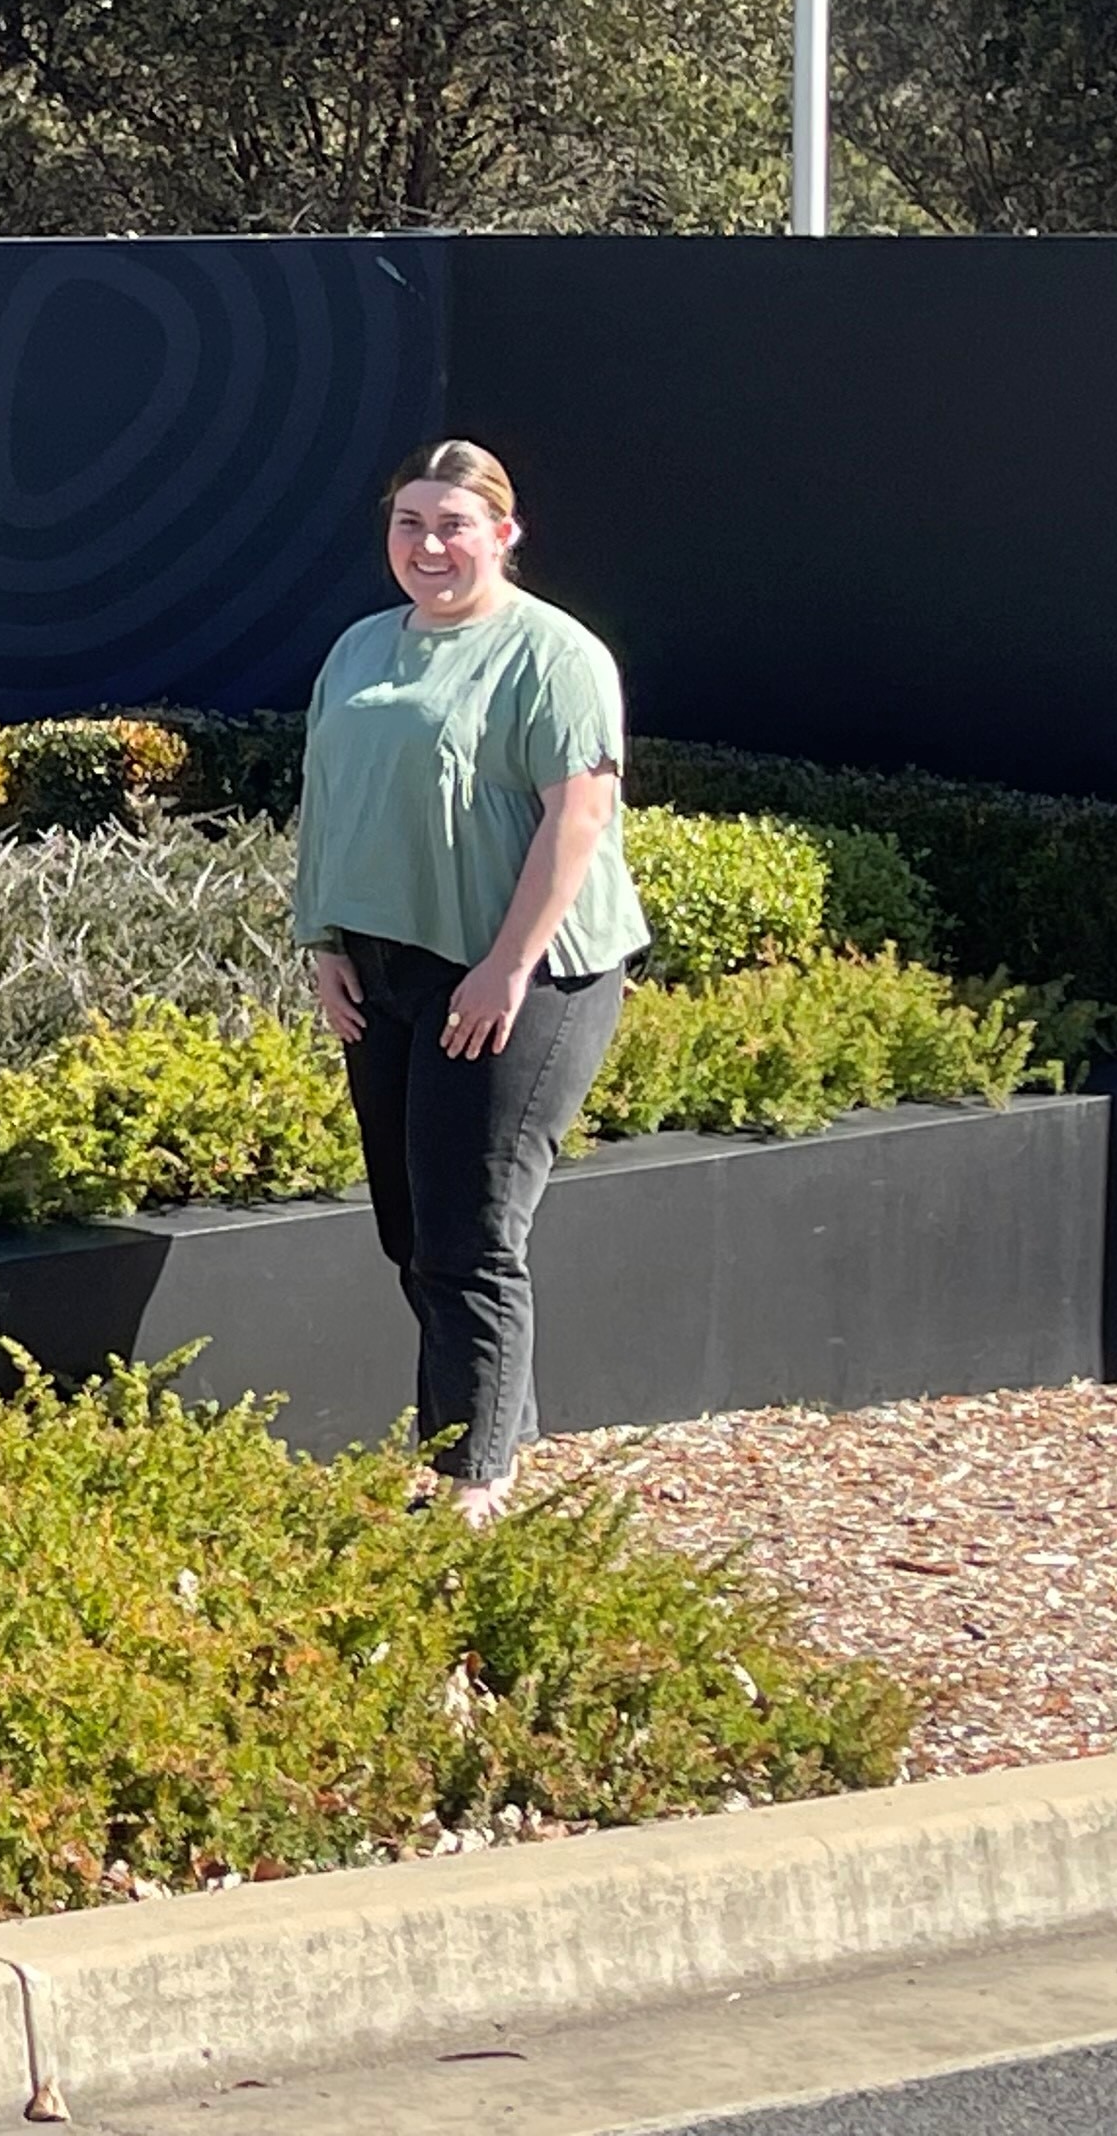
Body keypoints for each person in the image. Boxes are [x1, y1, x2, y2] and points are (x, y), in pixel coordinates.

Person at [291, 439, 649, 1526]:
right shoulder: (361, 648)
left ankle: (471, 1486)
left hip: (522, 976)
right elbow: (328, 794)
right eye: (410, 524)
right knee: (414, 1230)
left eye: (454, 524)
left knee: (472, 1233)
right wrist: (322, 938)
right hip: (384, 969)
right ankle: (487, 1439)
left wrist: (505, 967)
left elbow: (577, 819)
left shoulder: (555, 655)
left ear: (504, 532)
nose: (430, 546)